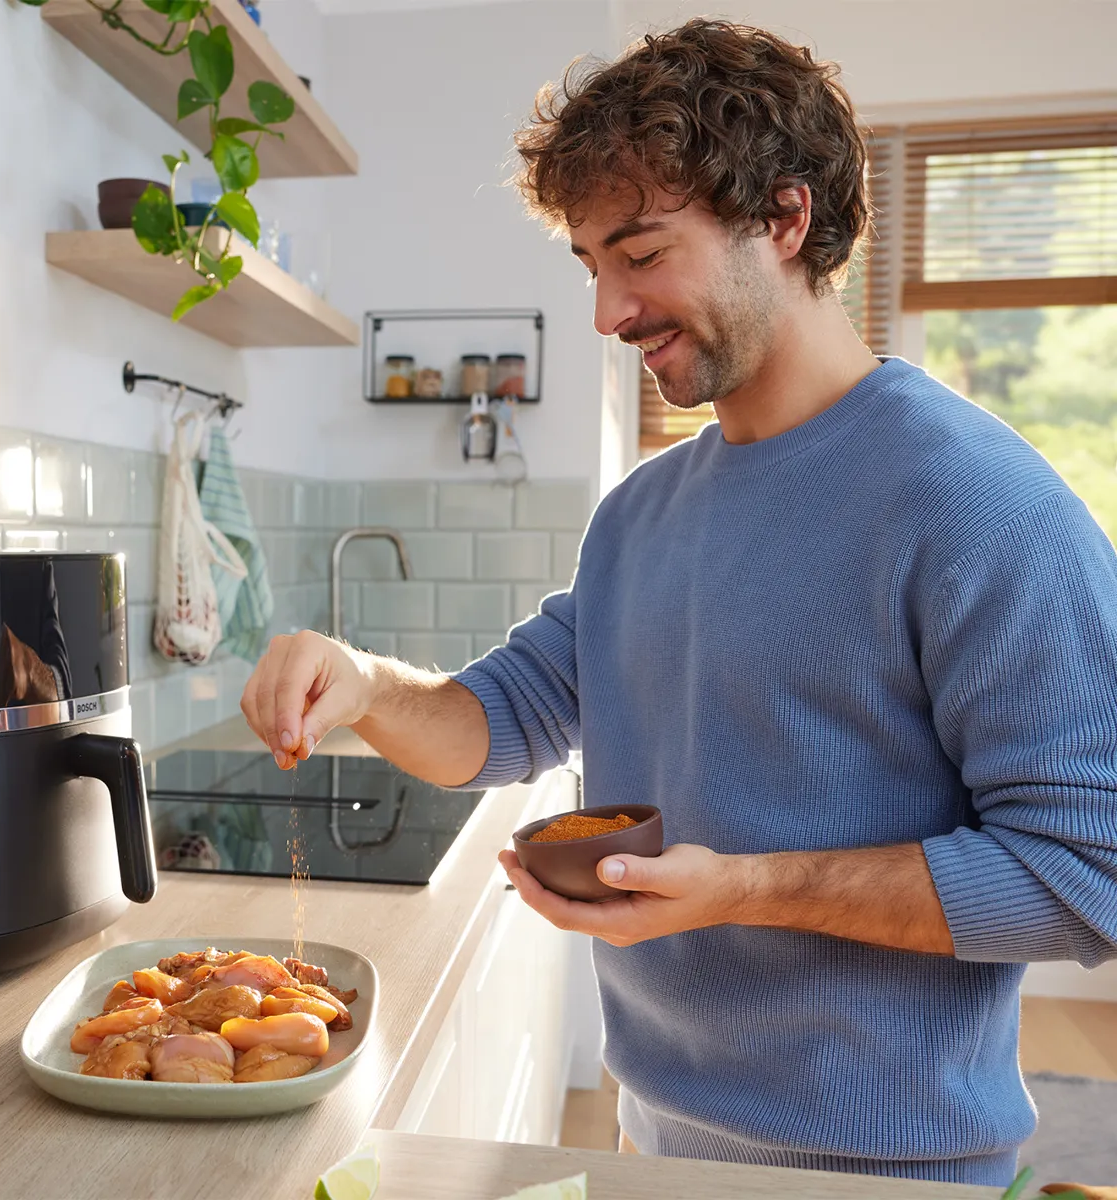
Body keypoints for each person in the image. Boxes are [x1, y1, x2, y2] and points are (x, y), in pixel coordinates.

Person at [238, 18, 1117, 1187]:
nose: (607, 312)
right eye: (593, 265)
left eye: (640, 254)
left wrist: (747, 888)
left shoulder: (978, 504)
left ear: (785, 220)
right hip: (655, 1146)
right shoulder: (640, 514)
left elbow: (1087, 872)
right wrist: (360, 684)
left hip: (886, 1176)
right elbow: (495, 724)